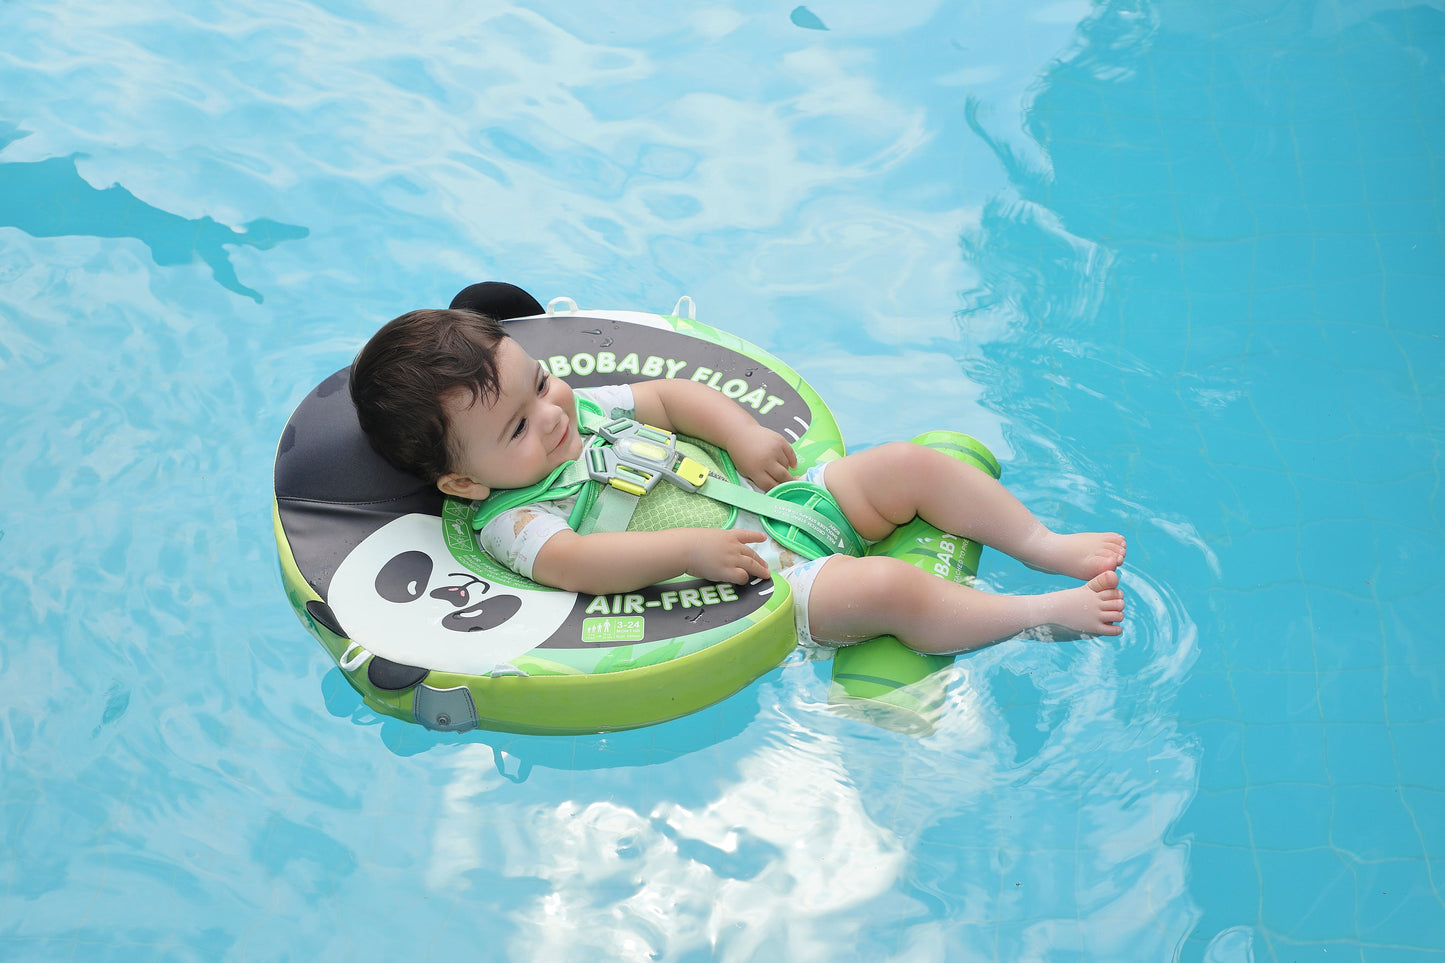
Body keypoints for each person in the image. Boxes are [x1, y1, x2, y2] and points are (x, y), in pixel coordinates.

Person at [350, 305, 1126, 655]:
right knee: (889, 590)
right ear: (460, 483)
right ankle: (1035, 612)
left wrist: (741, 433)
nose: (551, 415)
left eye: (542, 383)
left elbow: (666, 396)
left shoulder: (574, 409)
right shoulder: (511, 522)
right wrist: (687, 550)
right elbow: (578, 565)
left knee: (910, 464)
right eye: (516, 428)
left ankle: (1041, 542)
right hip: (761, 584)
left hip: (778, 504)